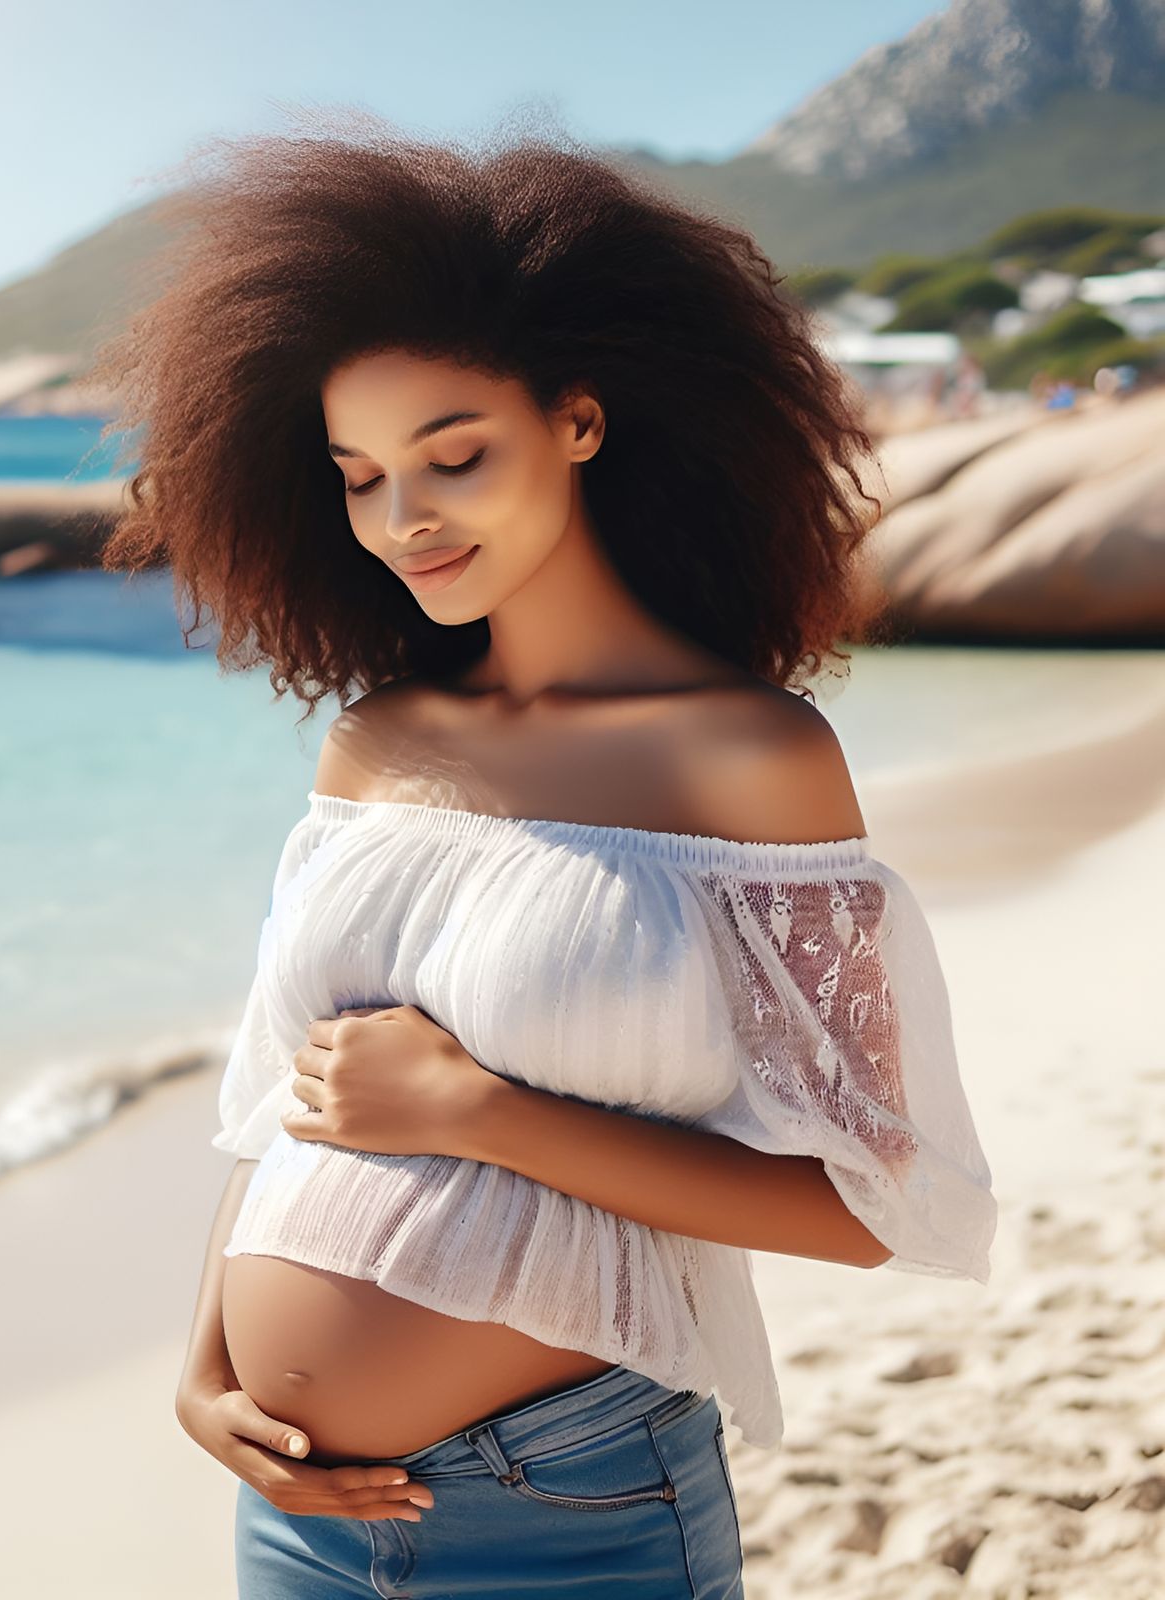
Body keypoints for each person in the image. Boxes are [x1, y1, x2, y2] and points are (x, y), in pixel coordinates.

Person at [86, 110, 997, 1599]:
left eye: (454, 454)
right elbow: (278, 1111)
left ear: (577, 419)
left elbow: (872, 1202)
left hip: (571, 1504)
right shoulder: (376, 745)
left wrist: (478, 1111)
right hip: (293, 1515)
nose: (404, 518)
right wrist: (203, 1377)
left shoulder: (744, 759)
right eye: (359, 473)